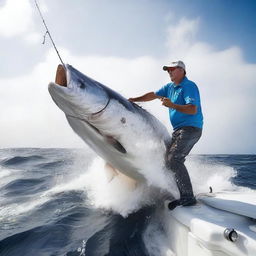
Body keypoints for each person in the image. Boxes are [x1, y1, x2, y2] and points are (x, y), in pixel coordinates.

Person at [129, 61, 203, 210]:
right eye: (167, 70)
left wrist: (172, 105)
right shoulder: (169, 87)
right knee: (166, 160)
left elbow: (192, 109)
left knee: (174, 159)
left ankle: (188, 198)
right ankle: (176, 191)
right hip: (178, 130)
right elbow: (152, 95)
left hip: (191, 128)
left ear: (182, 70)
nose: (169, 72)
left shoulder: (189, 86)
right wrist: (133, 100)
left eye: (172, 69)